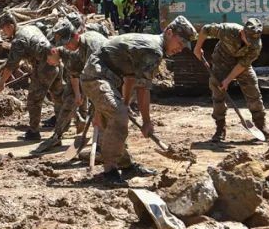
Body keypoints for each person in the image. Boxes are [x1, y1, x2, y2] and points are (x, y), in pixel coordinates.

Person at [80, 16, 198, 184]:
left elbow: (131, 77)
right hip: (96, 75)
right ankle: (109, 172)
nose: (180, 49)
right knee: (119, 116)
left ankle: (126, 166)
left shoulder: (152, 47)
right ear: (169, 33)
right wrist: (146, 122)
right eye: (180, 43)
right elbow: (143, 88)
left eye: (184, 46)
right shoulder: (153, 50)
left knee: (119, 115)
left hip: (108, 77)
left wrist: (125, 103)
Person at [32, 19, 109, 154]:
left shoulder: (92, 46)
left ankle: (106, 146)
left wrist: (95, 106)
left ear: (76, 36)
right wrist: (78, 94)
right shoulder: (68, 50)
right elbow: (74, 75)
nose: (66, 47)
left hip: (111, 75)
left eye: (67, 43)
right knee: (69, 99)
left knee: (103, 110)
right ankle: (57, 135)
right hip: (90, 75)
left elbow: (99, 80)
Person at [194, 17, 269, 142]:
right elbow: (205, 29)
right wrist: (197, 48)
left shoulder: (256, 45)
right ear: (242, 32)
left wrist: (228, 80)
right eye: (248, 39)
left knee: (253, 90)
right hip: (221, 62)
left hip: (240, 65)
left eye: (253, 41)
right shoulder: (228, 30)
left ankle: (261, 125)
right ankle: (220, 128)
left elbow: (242, 65)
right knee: (218, 94)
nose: (250, 43)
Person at [0, 11, 62, 141]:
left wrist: (1, 82)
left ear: (10, 26)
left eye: (4, 29)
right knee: (58, 95)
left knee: (34, 100)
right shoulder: (30, 27)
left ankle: (34, 132)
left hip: (46, 66)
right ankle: (63, 125)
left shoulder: (18, 40)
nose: (3, 32)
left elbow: (11, 64)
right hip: (56, 61)